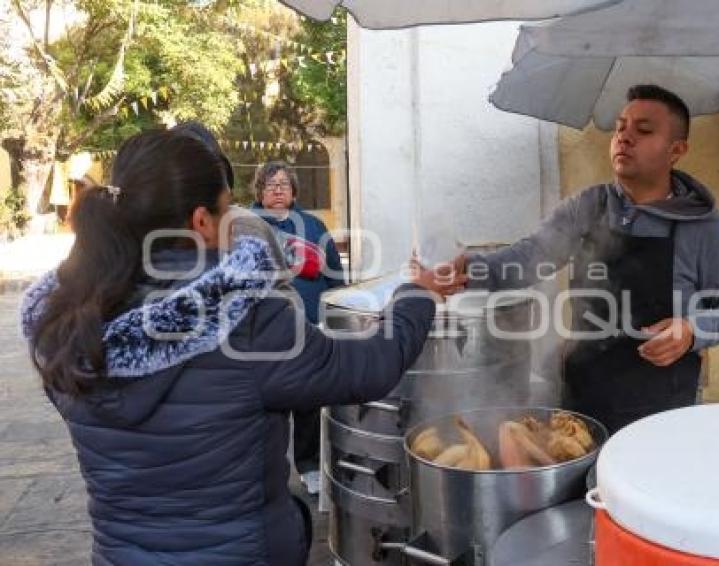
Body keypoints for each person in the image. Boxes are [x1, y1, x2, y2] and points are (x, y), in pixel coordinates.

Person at [20, 130, 462, 565]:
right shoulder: (245, 321)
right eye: (227, 209)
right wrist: (416, 294)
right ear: (201, 221)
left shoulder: (64, 323)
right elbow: (369, 367)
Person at [446, 84, 719, 433]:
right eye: (620, 127)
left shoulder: (703, 226)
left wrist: (691, 330)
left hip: (662, 408)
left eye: (643, 131)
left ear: (677, 150)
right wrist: (471, 268)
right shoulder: (589, 206)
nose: (624, 138)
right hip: (581, 399)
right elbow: (533, 255)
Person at [250, 161, 345, 495]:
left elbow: (335, 277)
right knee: (264, 404)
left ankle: (309, 466)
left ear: (294, 190)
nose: (277, 190)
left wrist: (337, 314)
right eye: (270, 185)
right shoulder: (244, 225)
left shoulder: (314, 226)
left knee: (308, 401)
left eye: (284, 184)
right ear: (259, 191)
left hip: (309, 328)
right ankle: (264, 471)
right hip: (260, 332)